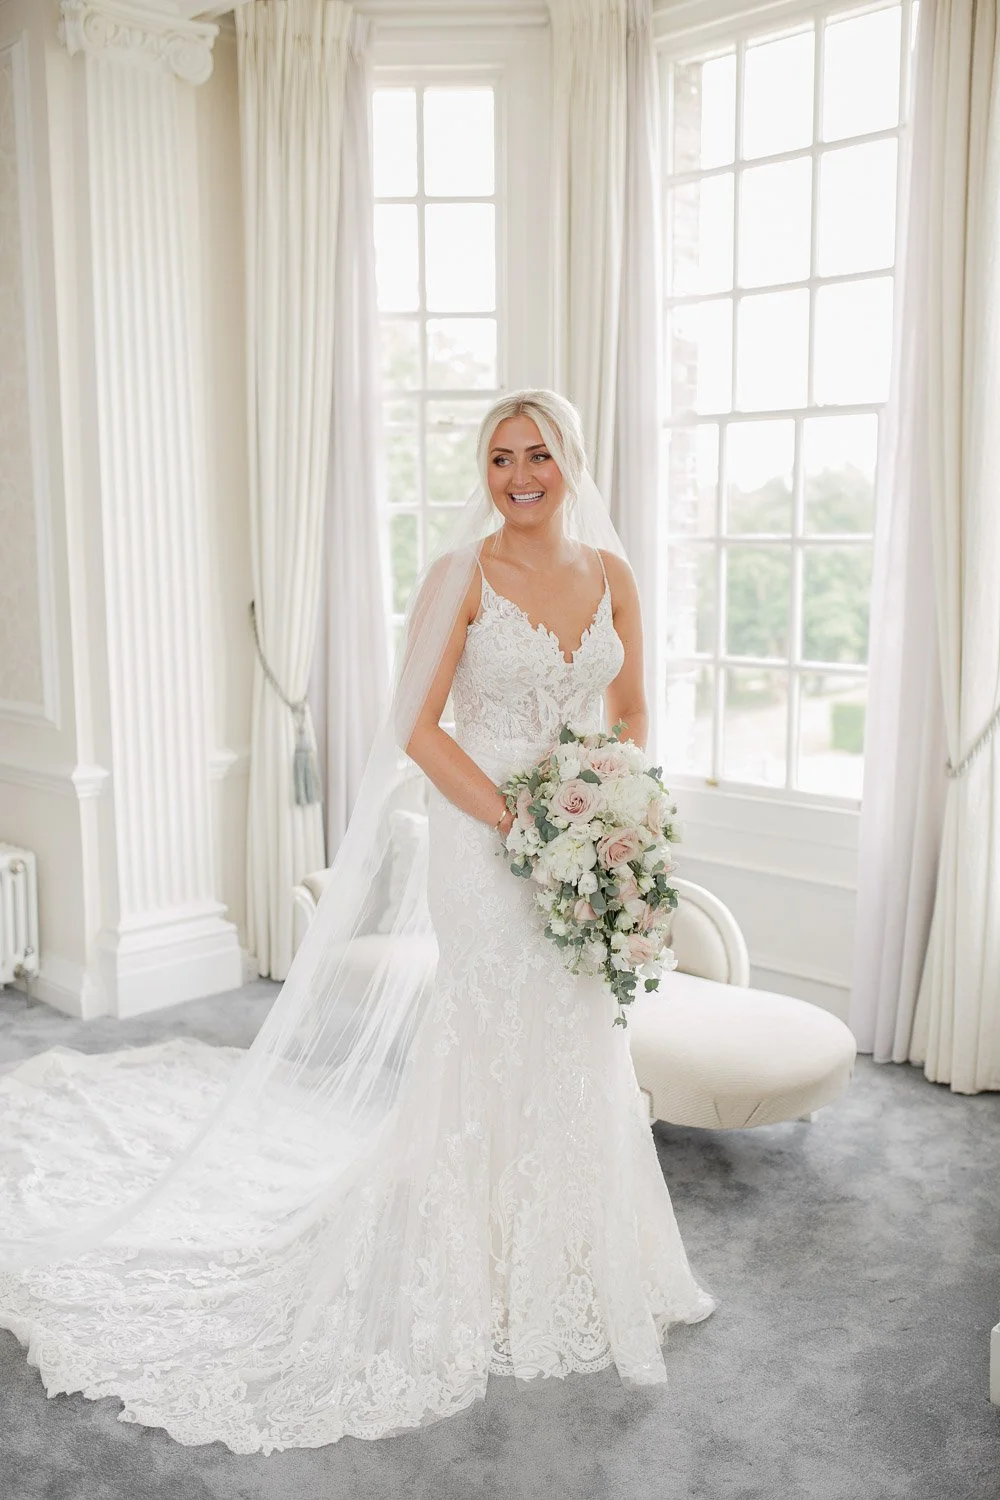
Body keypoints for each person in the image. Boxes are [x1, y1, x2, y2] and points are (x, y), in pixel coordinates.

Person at [0, 389, 715, 1453]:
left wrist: (615, 799)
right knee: (491, 1029)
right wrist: (519, 821)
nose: (519, 476)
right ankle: (470, 1257)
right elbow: (414, 726)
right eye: (500, 458)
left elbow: (636, 704)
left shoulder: (613, 574)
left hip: (585, 834)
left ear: (571, 461)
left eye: (538, 455)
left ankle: (571, 1251)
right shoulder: (461, 575)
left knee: (579, 1031)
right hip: (484, 837)